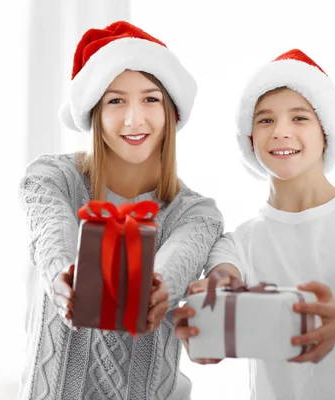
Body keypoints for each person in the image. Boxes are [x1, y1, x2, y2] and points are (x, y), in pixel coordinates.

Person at [173, 49, 335, 400]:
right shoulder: (237, 243)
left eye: (299, 118)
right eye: (266, 120)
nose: (281, 132)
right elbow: (223, 282)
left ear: (325, 133)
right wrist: (209, 320)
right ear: (250, 139)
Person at [17, 21, 223, 400]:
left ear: (171, 112)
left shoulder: (196, 213)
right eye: (115, 100)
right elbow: (51, 233)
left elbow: (177, 260)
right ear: (94, 110)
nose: (134, 119)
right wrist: (63, 274)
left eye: (150, 99)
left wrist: (157, 288)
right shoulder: (50, 178)